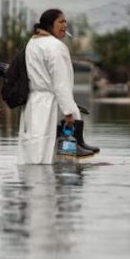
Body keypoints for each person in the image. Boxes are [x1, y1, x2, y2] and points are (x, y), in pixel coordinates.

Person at [17, 9, 84, 164]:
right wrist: (68, 112)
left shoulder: (32, 43)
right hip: (51, 106)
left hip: (32, 104)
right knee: (54, 155)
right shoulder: (56, 47)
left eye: (66, 21)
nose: (65, 25)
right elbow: (61, 83)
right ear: (49, 25)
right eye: (61, 21)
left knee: (33, 152)